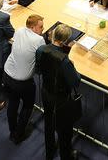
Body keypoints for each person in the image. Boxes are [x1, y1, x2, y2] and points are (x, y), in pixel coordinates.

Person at [35, 23, 81, 160]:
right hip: (61, 99)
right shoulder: (65, 61)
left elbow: (38, 69)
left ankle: (49, 151)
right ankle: (65, 156)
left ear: (53, 35)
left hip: (45, 91)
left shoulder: (41, 49)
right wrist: (73, 67)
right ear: (66, 41)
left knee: (49, 123)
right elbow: (75, 82)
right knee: (64, 130)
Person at [4, 14, 45, 144]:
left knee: (13, 102)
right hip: (23, 82)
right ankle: (19, 134)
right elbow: (42, 56)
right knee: (27, 106)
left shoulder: (20, 30)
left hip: (8, 74)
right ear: (33, 27)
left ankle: (12, 130)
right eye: (40, 27)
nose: (42, 29)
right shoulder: (39, 40)